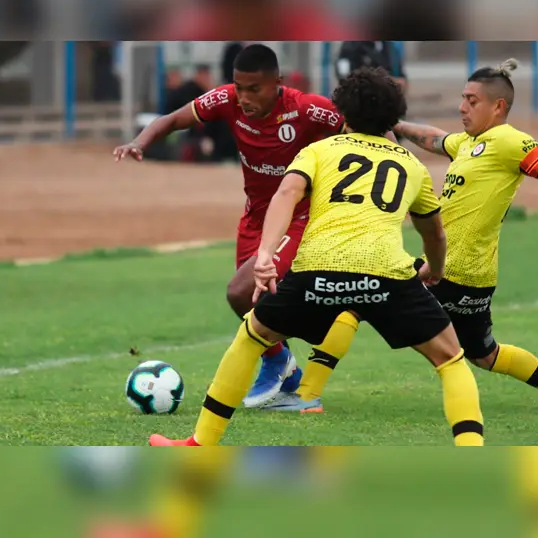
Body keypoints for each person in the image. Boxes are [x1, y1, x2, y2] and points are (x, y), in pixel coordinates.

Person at [263, 59, 538, 414]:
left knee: (354, 303)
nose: (462, 107)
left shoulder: (510, 141)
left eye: (471, 100)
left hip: (449, 270)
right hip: (473, 275)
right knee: (485, 354)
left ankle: (306, 396)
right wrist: (389, 121)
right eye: (462, 98)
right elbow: (435, 139)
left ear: (498, 106)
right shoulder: (470, 143)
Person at [149, 67, 485, 447]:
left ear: (344, 113)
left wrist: (265, 255)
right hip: (387, 274)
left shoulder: (319, 151)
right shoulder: (412, 165)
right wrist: (434, 269)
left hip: (318, 271)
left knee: (252, 336)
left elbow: (286, 195)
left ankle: (200, 444)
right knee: (450, 359)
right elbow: (434, 233)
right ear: (393, 117)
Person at [113, 44, 364, 408]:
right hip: (254, 219)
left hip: (299, 217)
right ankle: (290, 375)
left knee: (240, 291)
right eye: (239, 87)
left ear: (277, 83)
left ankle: (281, 360)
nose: (244, 98)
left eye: (254, 89)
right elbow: (173, 119)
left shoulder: (307, 109)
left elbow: (367, 127)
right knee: (253, 304)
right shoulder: (226, 99)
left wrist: (392, 168)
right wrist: (139, 142)